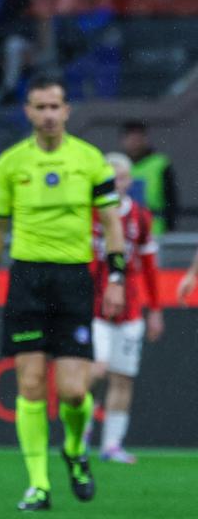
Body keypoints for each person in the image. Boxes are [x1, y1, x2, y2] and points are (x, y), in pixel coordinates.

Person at [0, 74, 126, 511]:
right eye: (39, 107)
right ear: (28, 111)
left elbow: (112, 222)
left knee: (75, 392)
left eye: (54, 107)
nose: (47, 115)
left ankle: (75, 449)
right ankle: (38, 484)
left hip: (74, 279)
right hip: (26, 279)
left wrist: (115, 276)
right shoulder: (8, 164)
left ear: (66, 110)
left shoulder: (90, 160)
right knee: (29, 383)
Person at [87, 153, 162, 464]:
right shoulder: (88, 214)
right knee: (97, 369)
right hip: (94, 305)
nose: (117, 183)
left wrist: (155, 309)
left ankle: (112, 445)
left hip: (131, 309)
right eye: (111, 178)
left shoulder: (141, 218)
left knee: (123, 378)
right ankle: (80, 434)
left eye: (122, 178)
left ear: (130, 181)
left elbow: (148, 266)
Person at [120, 120, 179, 235]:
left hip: (155, 231)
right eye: (131, 139)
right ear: (123, 141)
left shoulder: (160, 164)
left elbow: (171, 199)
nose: (135, 144)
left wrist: (170, 229)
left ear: (146, 140)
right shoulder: (116, 165)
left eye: (138, 139)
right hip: (124, 232)